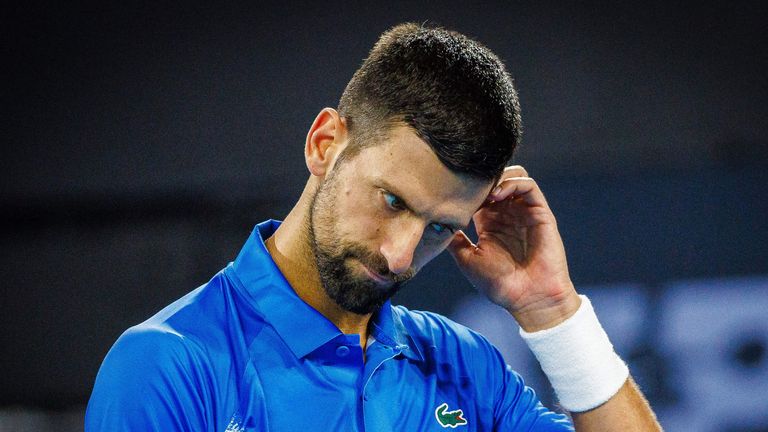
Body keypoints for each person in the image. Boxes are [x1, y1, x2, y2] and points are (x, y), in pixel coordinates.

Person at [86, 22, 661, 431]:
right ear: (325, 144)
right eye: (392, 200)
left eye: (440, 227)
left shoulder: (465, 367)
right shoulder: (167, 366)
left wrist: (552, 312)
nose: (400, 256)